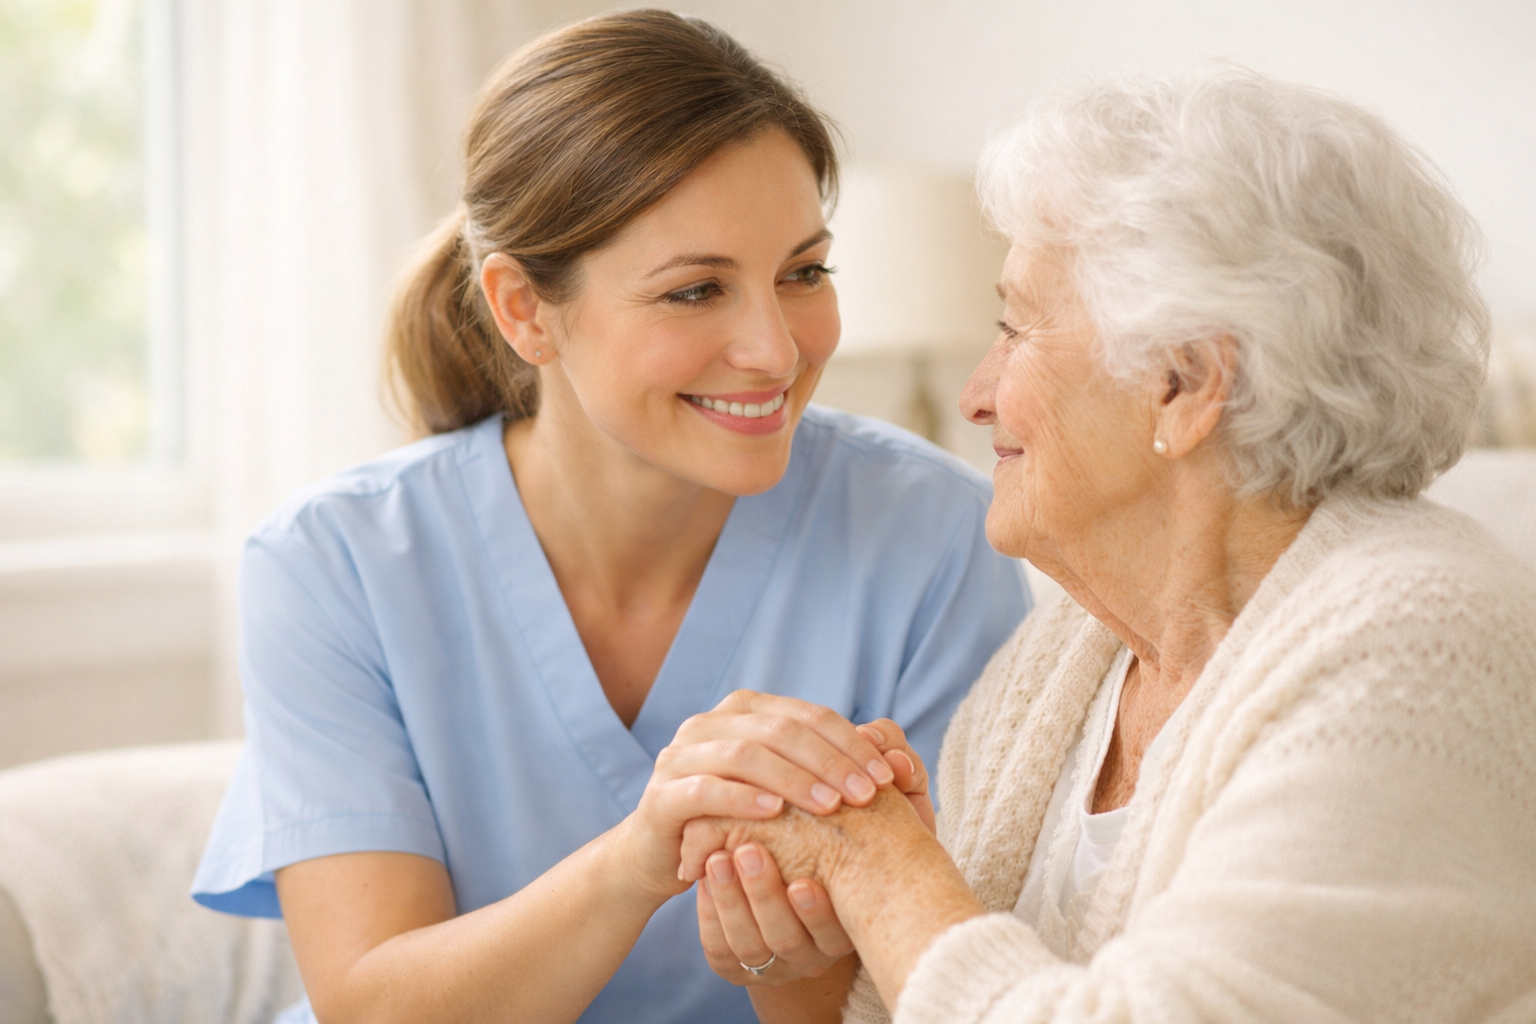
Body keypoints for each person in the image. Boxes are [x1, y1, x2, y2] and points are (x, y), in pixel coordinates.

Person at [190, 11, 1028, 1024]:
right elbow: (369, 1005)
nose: (775, 350)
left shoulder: (936, 534)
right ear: (522, 309)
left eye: (803, 272)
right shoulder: (332, 565)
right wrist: (639, 857)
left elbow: (945, 984)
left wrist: (797, 971)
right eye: (695, 290)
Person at [681, 67, 1536, 1023]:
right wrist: (806, 951)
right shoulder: (1061, 665)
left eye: (1014, 329)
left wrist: (876, 865)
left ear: (1186, 383)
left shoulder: (1423, 646)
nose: (975, 396)